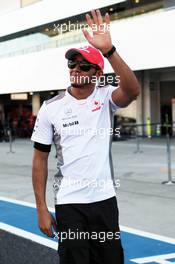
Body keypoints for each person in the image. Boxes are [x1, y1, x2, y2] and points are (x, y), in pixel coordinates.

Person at [31, 9, 140, 264]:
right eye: (72, 63)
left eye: (83, 65)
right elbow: (39, 160)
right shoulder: (51, 107)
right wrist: (41, 208)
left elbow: (133, 91)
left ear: (97, 74)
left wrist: (109, 51)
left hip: (104, 202)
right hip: (70, 205)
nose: (75, 69)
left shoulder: (105, 97)